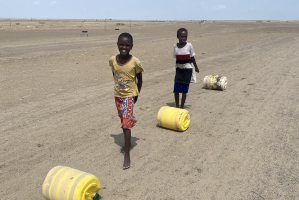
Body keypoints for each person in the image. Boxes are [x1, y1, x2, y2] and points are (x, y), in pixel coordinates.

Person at [109, 32, 144, 170]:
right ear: (117, 45)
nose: (124, 47)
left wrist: (136, 94)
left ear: (131, 46)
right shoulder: (112, 60)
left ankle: (127, 155)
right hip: (117, 96)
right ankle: (131, 118)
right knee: (123, 119)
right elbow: (115, 74)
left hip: (129, 96)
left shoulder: (135, 62)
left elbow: (140, 79)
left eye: (127, 45)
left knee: (125, 125)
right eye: (122, 44)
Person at [173, 28, 199, 108]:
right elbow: (175, 57)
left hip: (187, 70)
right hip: (179, 70)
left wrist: (196, 67)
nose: (183, 38)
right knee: (176, 89)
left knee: (184, 90)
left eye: (185, 36)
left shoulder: (189, 46)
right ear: (178, 36)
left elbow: (192, 57)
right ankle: (177, 106)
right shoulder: (175, 46)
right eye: (182, 36)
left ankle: (182, 107)